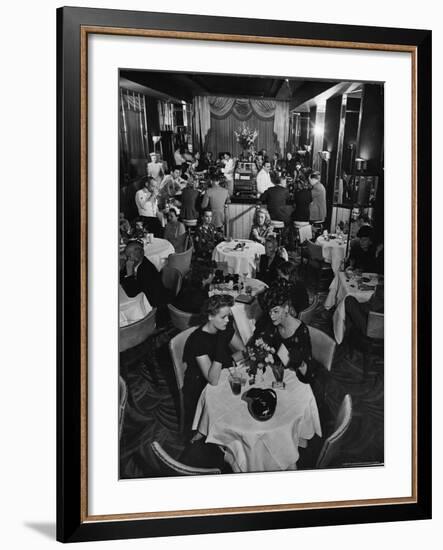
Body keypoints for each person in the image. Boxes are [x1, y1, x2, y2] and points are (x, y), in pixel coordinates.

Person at [182, 294, 238, 436]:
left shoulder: (224, 326)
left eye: (228, 316)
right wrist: (221, 347)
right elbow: (212, 380)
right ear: (210, 317)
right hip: (198, 385)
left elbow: (242, 351)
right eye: (223, 317)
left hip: (219, 374)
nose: (227, 320)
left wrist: (229, 360)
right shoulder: (198, 340)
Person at [119, 241, 167, 307]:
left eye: (128, 256)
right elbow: (121, 278)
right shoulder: (136, 262)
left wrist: (129, 272)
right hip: (142, 297)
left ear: (136, 258)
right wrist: (122, 269)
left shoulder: (146, 270)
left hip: (152, 304)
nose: (125, 258)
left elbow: (131, 293)